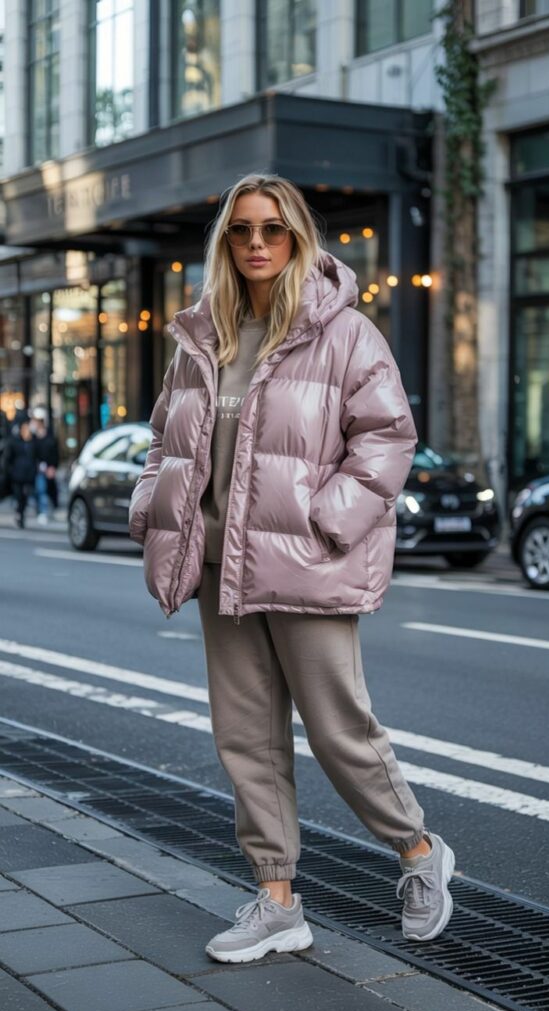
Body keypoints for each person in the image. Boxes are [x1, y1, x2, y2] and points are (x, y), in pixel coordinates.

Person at [129, 173, 455, 964]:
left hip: (304, 563)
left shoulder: (344, 333)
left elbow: (386, 438)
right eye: (240, 231)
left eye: (272, 229)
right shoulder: (202, 334)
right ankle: (276, 899)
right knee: (246, 736)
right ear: (225, 242)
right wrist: (153, 506)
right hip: (216, 563)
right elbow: (165, 439)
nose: (255, 244)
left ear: (298, 236)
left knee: (340, 728)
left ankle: (417, 852)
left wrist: (325, 519)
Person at [3, 418, 38, 528]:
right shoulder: (14, 441)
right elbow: (7, 458)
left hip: (29, 475)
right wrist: (10, 470)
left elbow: (37, 456)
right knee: (18, 495)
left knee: (25, 496)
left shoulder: (33, 441)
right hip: (17, 475)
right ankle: (19, 514)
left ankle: (21, 514)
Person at [30, 408, 59, 523]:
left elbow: (55, 453)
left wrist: (53, 467)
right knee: (39, 490)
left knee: (45, 490)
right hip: (36, 468)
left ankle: (45, 511)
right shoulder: (32, 437)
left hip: (48, 468)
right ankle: (42, 510)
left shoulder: (49, 436)